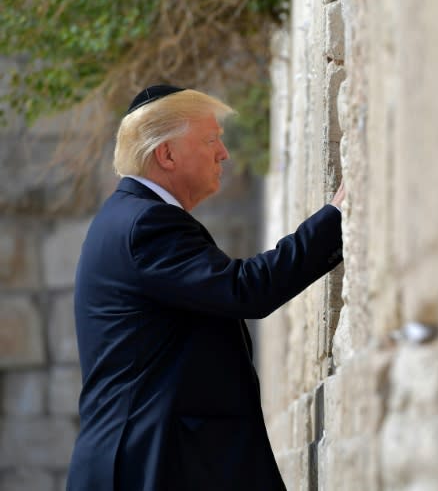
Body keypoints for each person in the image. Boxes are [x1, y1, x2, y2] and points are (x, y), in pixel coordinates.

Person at [66, 85, 344, 491]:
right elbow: (246, 289)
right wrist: (337, 216)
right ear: (167, 154)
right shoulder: (146, 225)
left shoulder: (129, 217)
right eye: (211, 139)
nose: (223, 153)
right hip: (151, 466)